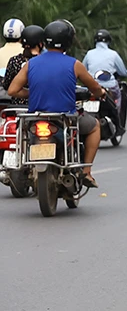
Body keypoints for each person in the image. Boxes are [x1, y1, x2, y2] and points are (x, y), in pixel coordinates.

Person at [7, 19, 107, 188]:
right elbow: (95, 87)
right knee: (95, 126)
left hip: (35, 118)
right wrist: (101, 93)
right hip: (65, 120)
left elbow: (12, 91)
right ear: (68, 42)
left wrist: (32, 93)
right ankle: (86, 172)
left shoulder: (31, 63)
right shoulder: (75, 64)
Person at [3, 24, 45, 105]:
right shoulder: (45, 62)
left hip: (17, 107)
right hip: (40, 105)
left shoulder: (14, 60)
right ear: (40, 44)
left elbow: (6, 85)